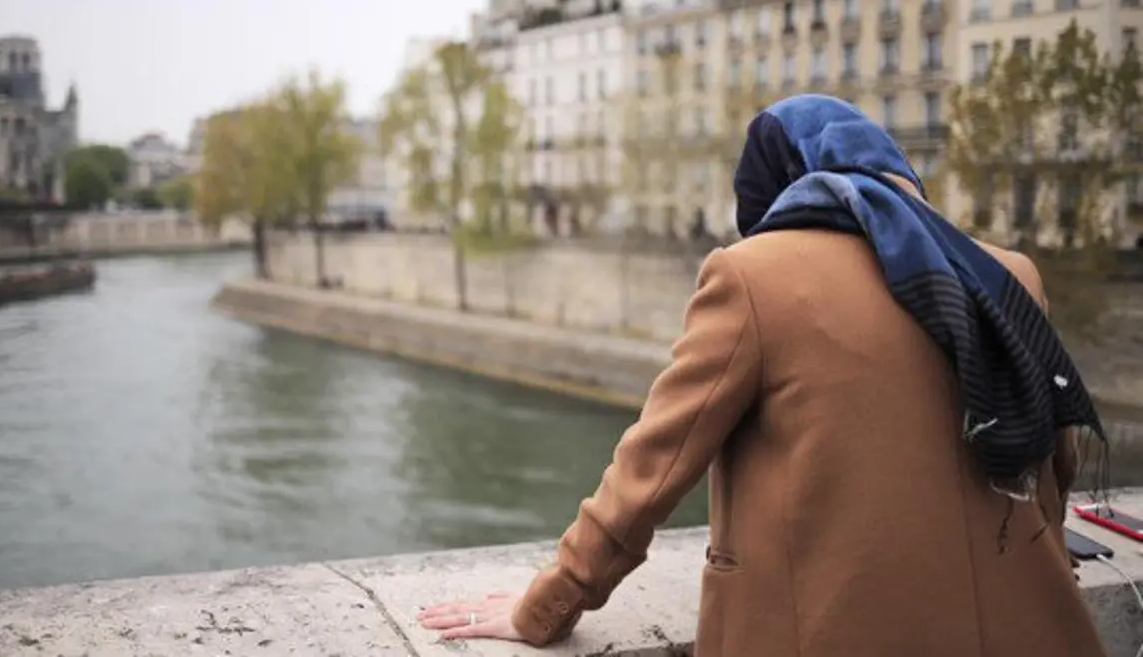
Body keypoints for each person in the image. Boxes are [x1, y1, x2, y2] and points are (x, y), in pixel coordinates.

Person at [416, 94, 1110, 656]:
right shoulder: (1004, 275)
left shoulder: (754, 276)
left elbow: (647, 474)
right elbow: (1055, 462)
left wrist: (549, 605)